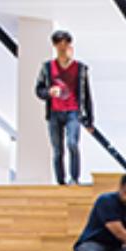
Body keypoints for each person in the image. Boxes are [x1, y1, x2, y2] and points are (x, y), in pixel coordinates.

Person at [34, 29, 94, 186]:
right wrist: (49, 92)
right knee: (57, 149)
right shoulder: (47, 68)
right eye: (59, 43)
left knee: (72, 143)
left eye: (66, 43)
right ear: (54, 45)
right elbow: (38, 90)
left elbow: (86, 94)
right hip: (54, 112)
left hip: (73, 111)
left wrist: (89, 120)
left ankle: (74, 178)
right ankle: (60, 181)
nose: (63, 46)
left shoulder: (80, 69)